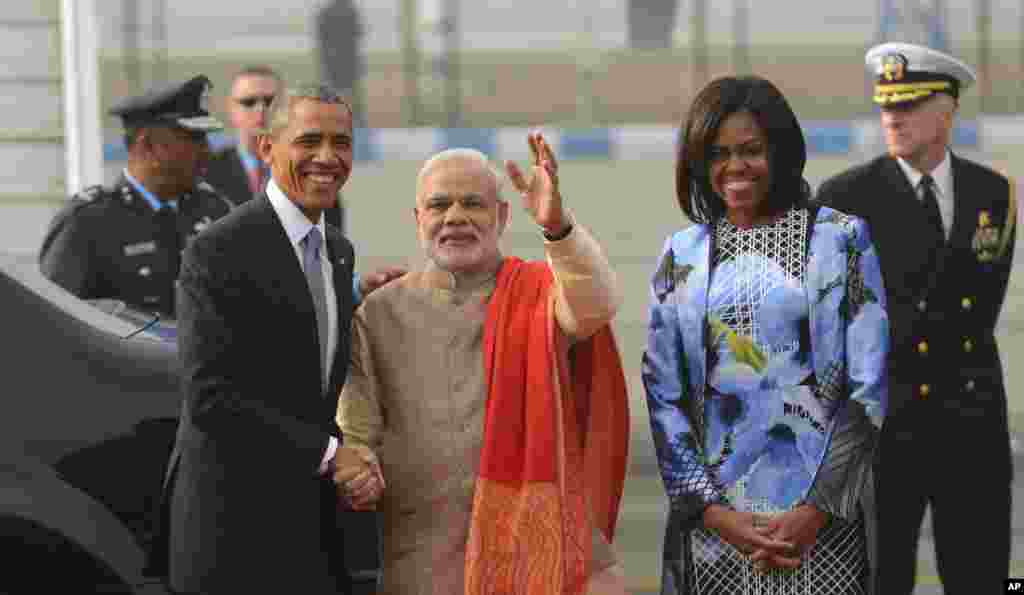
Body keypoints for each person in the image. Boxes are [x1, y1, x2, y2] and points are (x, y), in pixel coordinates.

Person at [336, 136, 631, 594]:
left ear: (502, 216)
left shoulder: (540, 294)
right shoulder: (378, 313)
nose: (455, 217)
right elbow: (357, 432)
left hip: (536, 556)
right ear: (419, 220)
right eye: (439, 205)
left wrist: (557, 226)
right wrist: (359, 467)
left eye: (473, 203)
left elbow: (596, 305)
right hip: (422, 562)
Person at [643, 75, 889, 594]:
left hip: (823, 528)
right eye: (718, 154)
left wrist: (814, 511)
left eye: (750, 150)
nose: (734, 167)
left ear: (780, 151)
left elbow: (868, 388)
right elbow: (663, 396)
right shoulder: (680, 255)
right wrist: (713, 513)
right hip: (715, 534)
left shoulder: (842, 239)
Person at [158, 83, 381, 595]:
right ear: (266, 148)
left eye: (341, 142)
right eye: (309, 141)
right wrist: (331, 454)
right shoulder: (217, 251)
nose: (328, 157)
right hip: (233, 541)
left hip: (313, 540)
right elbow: (211, 397)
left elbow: (312, 385)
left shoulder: (338, 252)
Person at [816, 43, 1017, 594]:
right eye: (886, 105)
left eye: (907, 104)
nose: (892, 117)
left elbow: (979, 308)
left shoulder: (992, 195)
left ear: (946, 112)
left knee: (980, 576)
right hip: (884, 426)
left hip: (971, 423)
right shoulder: (845, 199)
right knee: (880, 580)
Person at [39, 75, 232, 318]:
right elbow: (53, 323)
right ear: (147, 145)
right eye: (194, 138)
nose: (206, 150)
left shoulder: (216, 212)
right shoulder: (87, 223)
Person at [207, 65, 349, 231]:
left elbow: (331, 244)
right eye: (248, 102)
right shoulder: (208, 173)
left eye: (269, 101)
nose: (260, 109)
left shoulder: (313, 173)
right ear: (230, 109)